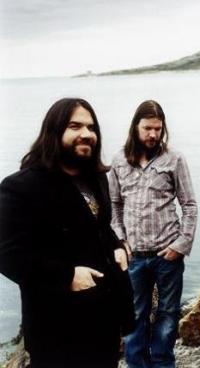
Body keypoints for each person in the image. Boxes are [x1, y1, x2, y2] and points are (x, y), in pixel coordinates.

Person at [0, 98, 135, 368]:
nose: (86, 133)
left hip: (104, 321)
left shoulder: (96, 178)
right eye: (75, 126)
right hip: (57, 329)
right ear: (54, 131)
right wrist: (66, 276)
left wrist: (118, 246)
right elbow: (7, 254)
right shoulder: (22, 187)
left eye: (91, 127)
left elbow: (99, 227)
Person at [109, 100, 198, 368]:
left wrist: (182, 244)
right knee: (135, 314)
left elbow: (189, 205)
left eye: (158, 129)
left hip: (167, 254)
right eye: (147, 128)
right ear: (135, 127)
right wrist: (121, 241)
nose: (153, 134)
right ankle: (137, 364)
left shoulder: (175, 159)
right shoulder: (119, 160)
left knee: (168, 313)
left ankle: (162, 362)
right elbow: (114, 205)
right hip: (134, 256)